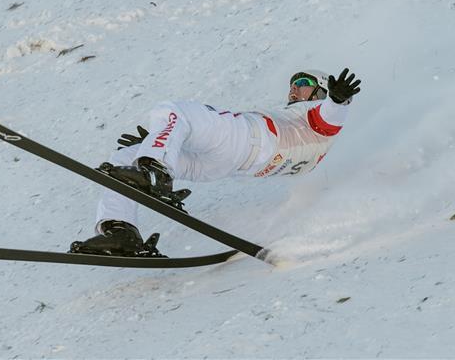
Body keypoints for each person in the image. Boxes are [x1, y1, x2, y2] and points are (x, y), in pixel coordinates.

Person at [70, 68, 362, 257]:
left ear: (322, 90)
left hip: (247, 138)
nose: (294, 89)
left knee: (172, 110)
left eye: (303, 83)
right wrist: (162, 139)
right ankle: (120, 231)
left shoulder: (316, 115)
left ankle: (156, 171)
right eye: (293, 83)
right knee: (126, 156)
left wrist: (338, 101)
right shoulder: (309, 138)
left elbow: (328, 119)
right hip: (230, 164)